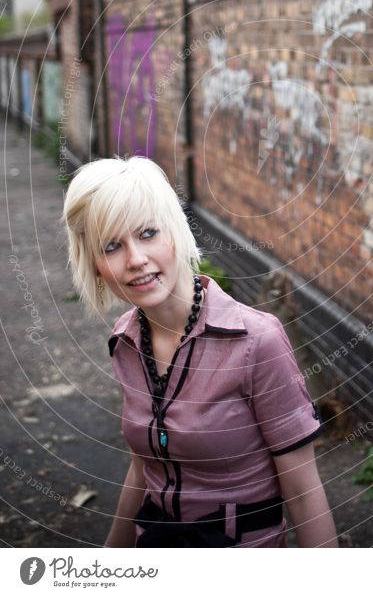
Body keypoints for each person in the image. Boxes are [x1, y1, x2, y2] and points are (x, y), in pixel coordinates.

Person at [62, 155, 338, 548]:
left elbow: (303, 487)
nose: (136, 259)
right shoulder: (126, 340)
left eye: (147, 233)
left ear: (174, 230)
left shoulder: (257, 341)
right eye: (112, 246)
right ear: (94, 263)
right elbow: (145, 466)